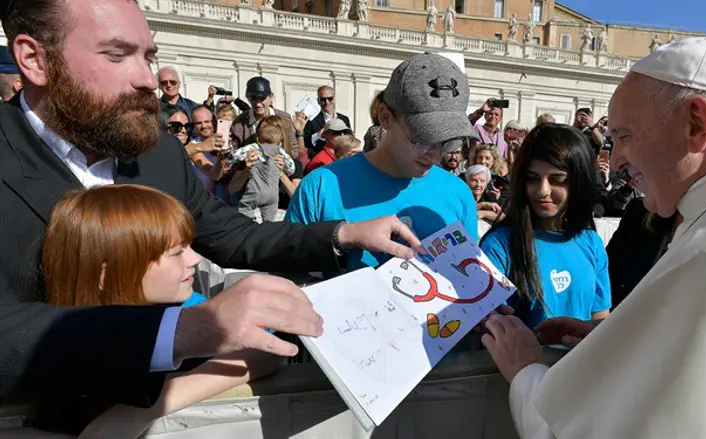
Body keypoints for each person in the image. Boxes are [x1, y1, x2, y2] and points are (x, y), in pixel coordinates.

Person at [0, 0, 422, 413]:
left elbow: (234, 235)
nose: (147, 79)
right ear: (35, 59)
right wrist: (183, 331)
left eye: (148, 56)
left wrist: (343, 233)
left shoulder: (157, 153)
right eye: (116, 54)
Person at [481, 36, 706, 438]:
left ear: (697, 124)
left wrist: (526, 372)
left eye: (624, 136)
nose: (617, 161)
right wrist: (624, 346)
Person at [38, 185, 278, 435]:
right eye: (176, 252)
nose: (195, 259)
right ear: (106, 275)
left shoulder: (186, 308)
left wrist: (145, 409)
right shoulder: (50, 343)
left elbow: (267, 350)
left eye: (190, 245)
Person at [286, 53, 479, 272]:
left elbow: (468, 280)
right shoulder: (320, 188)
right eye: (423, 140)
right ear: (385, 117)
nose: (436, 156)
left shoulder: (459, 194)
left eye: (447, 141)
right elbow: (283, 281)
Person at [480, 124, 609, 328]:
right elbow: (493, 329)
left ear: (579, 182)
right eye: (532, 178)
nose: (542, 191)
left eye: (558, 180)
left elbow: (600, 321)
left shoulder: (591, 242)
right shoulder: (498, 246)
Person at [303, 85, 352, 156]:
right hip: (321, 160)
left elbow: (349, 140)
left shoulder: (344, 119)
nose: (327, 102)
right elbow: (305, 144)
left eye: (330, 98)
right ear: (318, 101)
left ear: (334, 99)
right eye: (323, 99)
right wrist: (318, 135)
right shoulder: (311, 120)